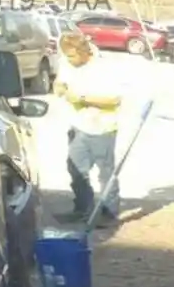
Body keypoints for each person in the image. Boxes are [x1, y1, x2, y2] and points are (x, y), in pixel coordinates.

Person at [53, 32, 126, 227]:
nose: (68, 60)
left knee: (105, 172)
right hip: (78, 125)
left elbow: (115, 99)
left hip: (102, 127)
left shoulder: (104, 68)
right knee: (76, 168)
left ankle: (108, 213)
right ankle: (83, 209)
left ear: (84, 52)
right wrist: (59, 87)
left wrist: (83, 99)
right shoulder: (67, 63)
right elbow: (60, 82)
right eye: (66, 56)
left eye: (72, 56)